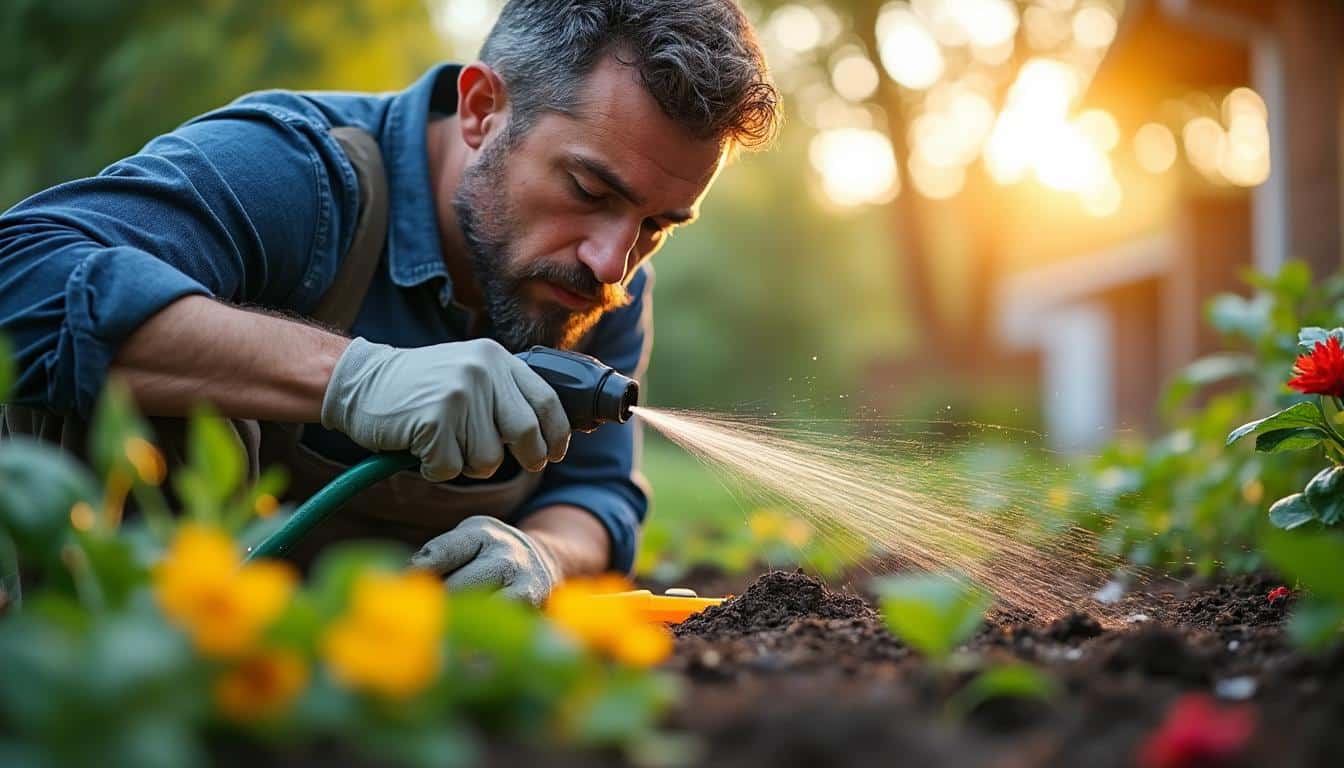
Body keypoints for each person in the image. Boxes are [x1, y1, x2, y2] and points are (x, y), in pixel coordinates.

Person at [0, 0, 779, 604]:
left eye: (657, 224)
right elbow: (22, 274)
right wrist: (358, 379)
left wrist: (543, 552)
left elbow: (596, 493)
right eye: (588, 188)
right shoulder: (301, 174)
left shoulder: (602, 275)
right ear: (481, 111)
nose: (613, 262)